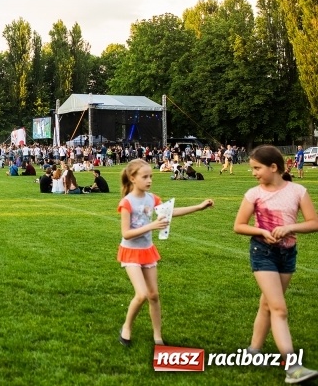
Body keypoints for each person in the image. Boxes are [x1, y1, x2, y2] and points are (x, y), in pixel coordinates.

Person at [232, 145, 318, 383]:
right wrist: (261, 230)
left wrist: (290, 227)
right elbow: (239, 225)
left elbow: (313, 222)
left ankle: (253, 351)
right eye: (252, 168)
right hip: (263, 252)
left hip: (288, 253)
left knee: (268, 305)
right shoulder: (253, 194)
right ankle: (293, 368)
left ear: (274, 167)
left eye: (257, 168)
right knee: (279, 308)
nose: (253, 173)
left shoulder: (298, 191)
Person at [117, 158, 214, 347]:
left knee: (154, 295)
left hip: (147, 251)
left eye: (151, 176)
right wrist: (152, 225)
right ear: (132, 178)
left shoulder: (152, 198)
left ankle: (157, 336)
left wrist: (198, 207)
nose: (149, 180)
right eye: (145, 177)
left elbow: (171, 212)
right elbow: (126, 233)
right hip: (130, 252)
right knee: (142, 294)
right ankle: (127, 327)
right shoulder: (126, 203)